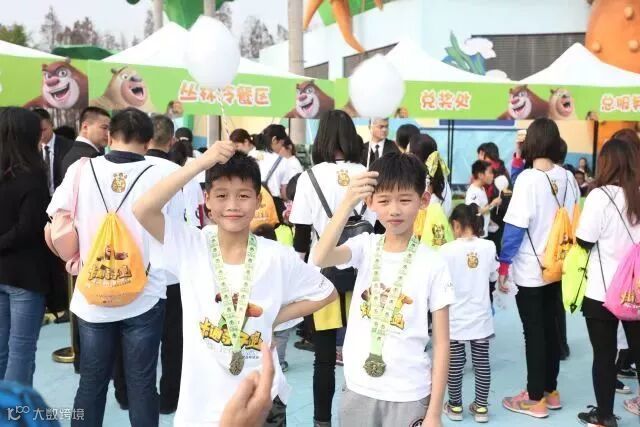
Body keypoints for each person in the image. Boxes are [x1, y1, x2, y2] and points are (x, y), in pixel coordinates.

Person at [132, 144, 338, 426]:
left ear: (258, 200)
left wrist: (273, 317)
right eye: (221, 195)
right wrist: (199, 164)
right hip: (201, 408)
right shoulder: (191, 245)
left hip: (262, 401)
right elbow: (143, 208)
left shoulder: (276, 256)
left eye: (243, 196)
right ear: (207, 199)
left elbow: (326, 292)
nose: (232, 205)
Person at [47, 108, 182, 427]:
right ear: (148, 141)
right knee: (142, 383)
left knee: (91, 382)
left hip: (93, 293)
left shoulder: (81, 170)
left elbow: (56, 217)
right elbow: (174, 232)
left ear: (109, 136)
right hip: (145, 292)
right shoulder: (162, 175)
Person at [313, 152, 454, 427]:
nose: (394, 210)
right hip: (358, 388)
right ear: (370, 202)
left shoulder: (434, 264)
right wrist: (346, 203)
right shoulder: (365, 246)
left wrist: (435, 413)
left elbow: (442, 342)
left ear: (423, 200)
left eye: (405, 200)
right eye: (384, 200)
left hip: (410, 393)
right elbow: (321, 256)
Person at [289, 110, 375, 426]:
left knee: (324, 359)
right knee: (363, 354)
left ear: (321, 137)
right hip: (364, 275)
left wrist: (296, 277)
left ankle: (321, 421)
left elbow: (301, 237)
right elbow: (378, 228)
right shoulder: (368, 174)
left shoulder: (309, 178)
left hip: (322, 277)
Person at [498, 118, 579, 419]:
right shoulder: (568, 177)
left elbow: (515, 228)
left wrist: (504, 265)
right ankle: (550, 391)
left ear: (530, 143)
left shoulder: (528, 179)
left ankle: (534, 398)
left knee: (533, 332)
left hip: (532, 269)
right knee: (551, 329)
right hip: (560, 264)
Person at [575, 138, 640, 426]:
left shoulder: (599, 197)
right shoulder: (637, 194)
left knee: (604, 355)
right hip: (636, 290)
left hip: (602, 292)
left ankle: (604, 416)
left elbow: (584, 240)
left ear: (606, 164)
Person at [0, 108, 51, 386]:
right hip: (26, 275)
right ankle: (15, 408)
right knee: (21, 351)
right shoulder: (32, 176)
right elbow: (29, 228)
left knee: (3, 351)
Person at [440, 203, 498, 423]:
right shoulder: (489, 246)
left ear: (456, 225)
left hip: (455, 317)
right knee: (482, 362)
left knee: (455, 364)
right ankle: (481, 408)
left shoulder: (446, 250)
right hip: (481, 316)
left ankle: (455, 406)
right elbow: (493, 276)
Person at [407, 133, 453, 215]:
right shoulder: (440, 176)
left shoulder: (424, 182)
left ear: (416, 157)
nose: (405, 155)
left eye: (408, 153)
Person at [32, 108, 73, 196]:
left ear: (51, 124)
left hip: (63, 197)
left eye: (44, 130)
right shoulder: (30, 149)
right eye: (37, 131)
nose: (41, 135)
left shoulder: (68, 146)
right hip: (41, 198)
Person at [61, 107, 111, 177]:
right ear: (85, 127)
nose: (108, 133)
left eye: (110, 129)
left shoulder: (69, 153)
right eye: (104, 128)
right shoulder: (91, 157)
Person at [466, 160, 501, 239]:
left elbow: (483, 208)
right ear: (480, 175)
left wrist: (490, 222)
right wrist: (493, 204)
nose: (493, 175)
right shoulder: (473, 192)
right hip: (477, 235)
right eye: (490, 172)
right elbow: (475, 212)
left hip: (483, 232)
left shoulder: (482, 189)